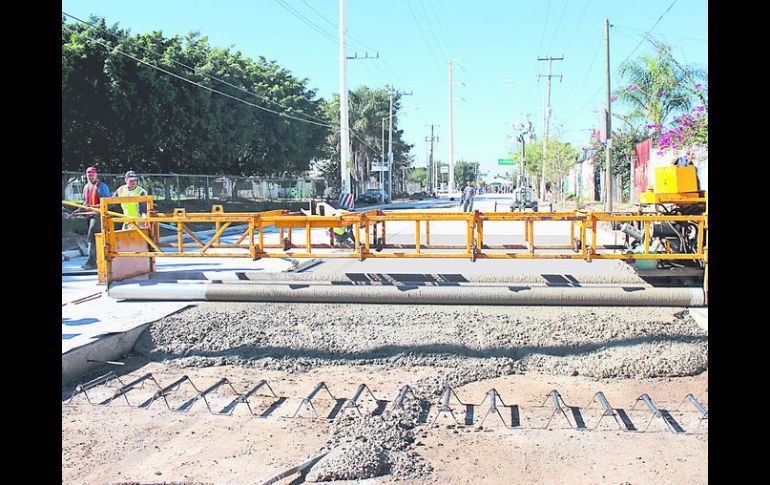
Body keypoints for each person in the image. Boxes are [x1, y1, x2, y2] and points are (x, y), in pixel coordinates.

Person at [80, 167, 111, 270]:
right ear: (86, 175)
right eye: (88, 174)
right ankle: (101, 259)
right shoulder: (86, 187)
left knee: (91, 237)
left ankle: (91, 262)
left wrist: (94, 207)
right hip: (90, 215)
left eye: (92, 174)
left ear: (96, 175)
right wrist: (79, 210)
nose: (90, 176)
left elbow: (108, 202)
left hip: (98, 216)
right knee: (97, 238)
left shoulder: (101, 186)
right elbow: (85, 203)